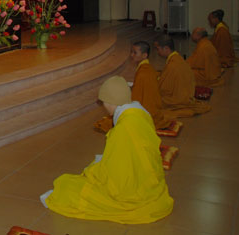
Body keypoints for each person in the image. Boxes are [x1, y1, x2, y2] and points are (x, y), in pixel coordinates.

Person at [41, 76, 173, 224]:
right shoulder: (140, 115)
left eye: (103, 102)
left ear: (110, 102)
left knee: (66, 186)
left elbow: (115, 178)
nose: (103, 106)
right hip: (149, 180)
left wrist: (92, 172)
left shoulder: (123, 129)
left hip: (131, 192)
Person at [94, 41, 171, 132]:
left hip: (148, 112)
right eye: (131, 52)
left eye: (135, 53)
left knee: (109, 121)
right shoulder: (147, 68)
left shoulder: (143, 73)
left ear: (144, 55)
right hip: (154, 111)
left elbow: (136, 98)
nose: (131, 55)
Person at [156, 36, 210, 117]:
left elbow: (163, 89)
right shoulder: (177, 58)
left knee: (152, 99)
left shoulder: (173, 64)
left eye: (158, 49)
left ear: (166, 48)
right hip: (186, 93)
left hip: (177, 99)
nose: (157, 52)